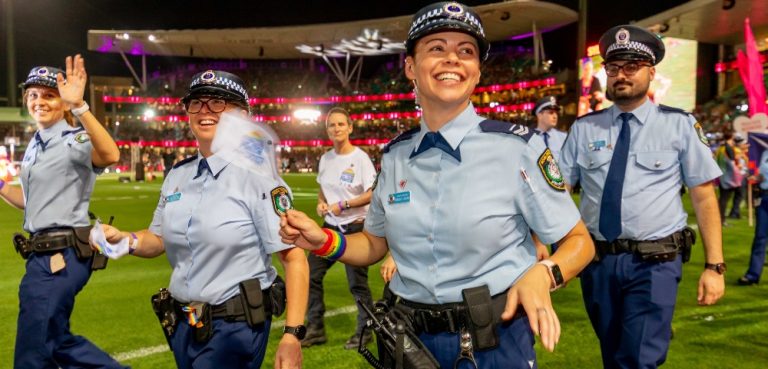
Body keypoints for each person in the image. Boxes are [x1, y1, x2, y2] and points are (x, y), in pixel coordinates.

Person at [280, 2, 595, 368]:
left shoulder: (518, 148)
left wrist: (546, 273)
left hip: (494, 341)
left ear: (477, 72)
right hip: (406, 341)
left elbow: (579, 241)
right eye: (436, 48)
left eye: (466, 51)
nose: (452, 59)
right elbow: (376, 244)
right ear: (411, 67)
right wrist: (324, 241)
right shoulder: (395, 155)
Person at [94, 70, 308, 369]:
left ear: (244, 116)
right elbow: (158, 240)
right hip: (184, 325)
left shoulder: (259, 178)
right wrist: (124, 239)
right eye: (197, 103)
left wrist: (292, 335)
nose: (205, 110)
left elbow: (294, 258)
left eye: (219, 103)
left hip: (236, 327)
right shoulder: (178, 176)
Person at [559, 25, 726, 369]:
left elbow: (704, 198)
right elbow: (555, 192)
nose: (621, 74)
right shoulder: (584, 129)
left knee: (637, 360)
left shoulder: (678, 125)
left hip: (656, 261)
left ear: (651, 72)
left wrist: (714, 266)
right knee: (613, 354)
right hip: (597, 262)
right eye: (614, 67)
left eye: (632, 66)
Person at [0, 57, 124, 368]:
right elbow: (32, 202)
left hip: (62, 255)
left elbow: (110, 154)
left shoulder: (74, 139)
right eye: (33, 95)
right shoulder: (35, 145)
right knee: (52, 341)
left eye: (48, 94)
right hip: (41, 255)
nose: (39, 101)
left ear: (63, 103)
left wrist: (81, 106)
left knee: (33, 350)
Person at [303, 107, 376, 350]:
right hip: (330, 227)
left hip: (355, 227)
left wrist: (344, 204)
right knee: (310, 274)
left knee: (357, 284)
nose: (336, 129)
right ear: (327, 130)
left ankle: (365, 332)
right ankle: (315, 329)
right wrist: (321, 203)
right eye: (332, 125)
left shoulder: (361, 158)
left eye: (341, 124)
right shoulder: (326, 158)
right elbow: (322, 187)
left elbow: (372, 193)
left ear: (350, 128)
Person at [738, 149, 768, 285]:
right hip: (764, 198)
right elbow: (762, 175)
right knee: (760, 237)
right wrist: (755, 178)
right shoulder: (764, 152)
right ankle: (753, 274)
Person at [716, 130, 742, 225]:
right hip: (728, 177)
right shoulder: (728, 148)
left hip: (722, 176)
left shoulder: (721, 148)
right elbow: (732, 163)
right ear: (731, 137)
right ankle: (721, 220)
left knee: (723, 198)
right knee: (724, 198)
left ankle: (720, 218)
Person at [532, 95, 567, 163]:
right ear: (539, 115)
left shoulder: (564, 137)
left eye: (556, 113)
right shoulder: (529, 138)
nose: (555, 116)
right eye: (551, 113)